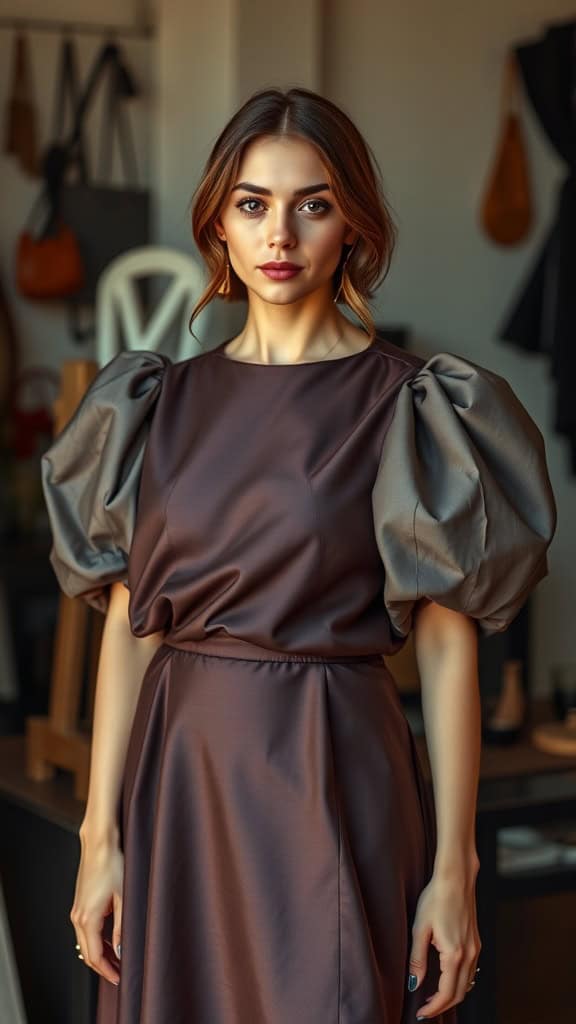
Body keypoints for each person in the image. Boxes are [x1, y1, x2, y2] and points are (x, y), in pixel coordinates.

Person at [41, 87, 557, 1024]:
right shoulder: (151, 404)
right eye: (253, 203)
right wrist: (97, 836)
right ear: (220, 224)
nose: (281, 233)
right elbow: (132, 624)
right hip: (181, 777)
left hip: (334, 767)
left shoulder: (415, 406)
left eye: (313, 203)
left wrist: (456, 866)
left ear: (352, 223)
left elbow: (446, 646)